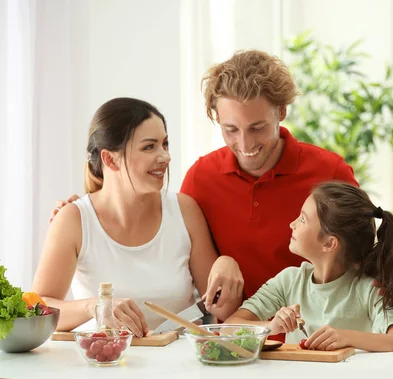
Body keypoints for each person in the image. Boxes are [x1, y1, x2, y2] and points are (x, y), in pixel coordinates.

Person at [51, 50, 359, 321]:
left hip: (314, 340)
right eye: (230, 129)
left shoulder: (329, 171)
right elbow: (179, 251)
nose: (245, 143)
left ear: (281, 112)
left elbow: (366, 262)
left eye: (257, 128)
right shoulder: (202, 177)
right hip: (236, 341)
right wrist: (84, 213)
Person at [33, 97, 244, 339]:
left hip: (179, 368)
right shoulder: (74, 220)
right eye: (149, 147)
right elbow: (40, 309)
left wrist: (227, 264)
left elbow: (222, 311)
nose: (165, 157)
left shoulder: (184, 210)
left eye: (165, 144)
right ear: (110, 159)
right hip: (104, 366)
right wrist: (94, 307)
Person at [226, 181, 393, 353]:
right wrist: (271, 326)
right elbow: (228, 327)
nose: (292, 224)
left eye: (302, 219)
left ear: (329, 243)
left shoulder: (368, 288)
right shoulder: (289, 281)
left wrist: (346, 338)